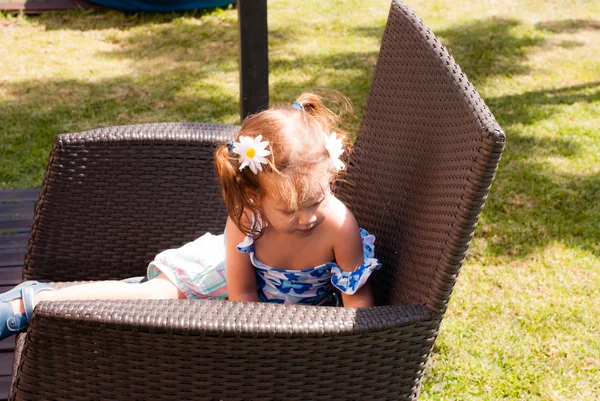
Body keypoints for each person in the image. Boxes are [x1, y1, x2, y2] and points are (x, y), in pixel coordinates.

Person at [0, 91, 382, 340]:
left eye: (317, 198)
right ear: (254, 198)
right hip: (223, 276)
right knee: (152, 297)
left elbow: (358, 303)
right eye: (289, 210)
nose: (307, 218)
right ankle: (38, 301)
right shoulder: (248, 222)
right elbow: (242, 295)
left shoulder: (338, 225)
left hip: (289, 316)